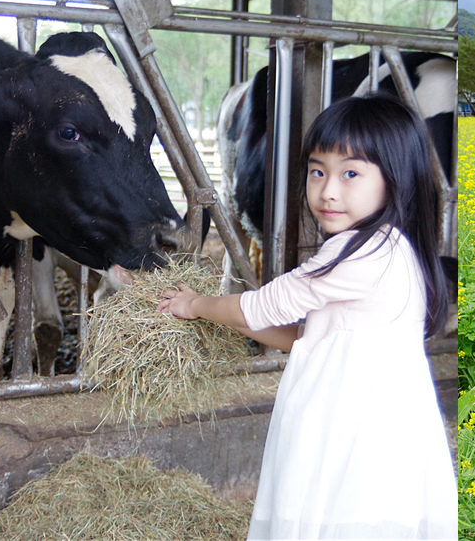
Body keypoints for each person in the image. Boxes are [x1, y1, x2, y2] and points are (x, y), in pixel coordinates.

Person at [157, 95, 458, 540]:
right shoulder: (396, 247)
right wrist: (230, 322)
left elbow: (259, 306)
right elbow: (307, 336)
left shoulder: (355, 254)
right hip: (386, 424)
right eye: (318, 171)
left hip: (344, 423)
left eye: (350, 173)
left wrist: (194, 305)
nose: (327, 190)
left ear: (395, 181)